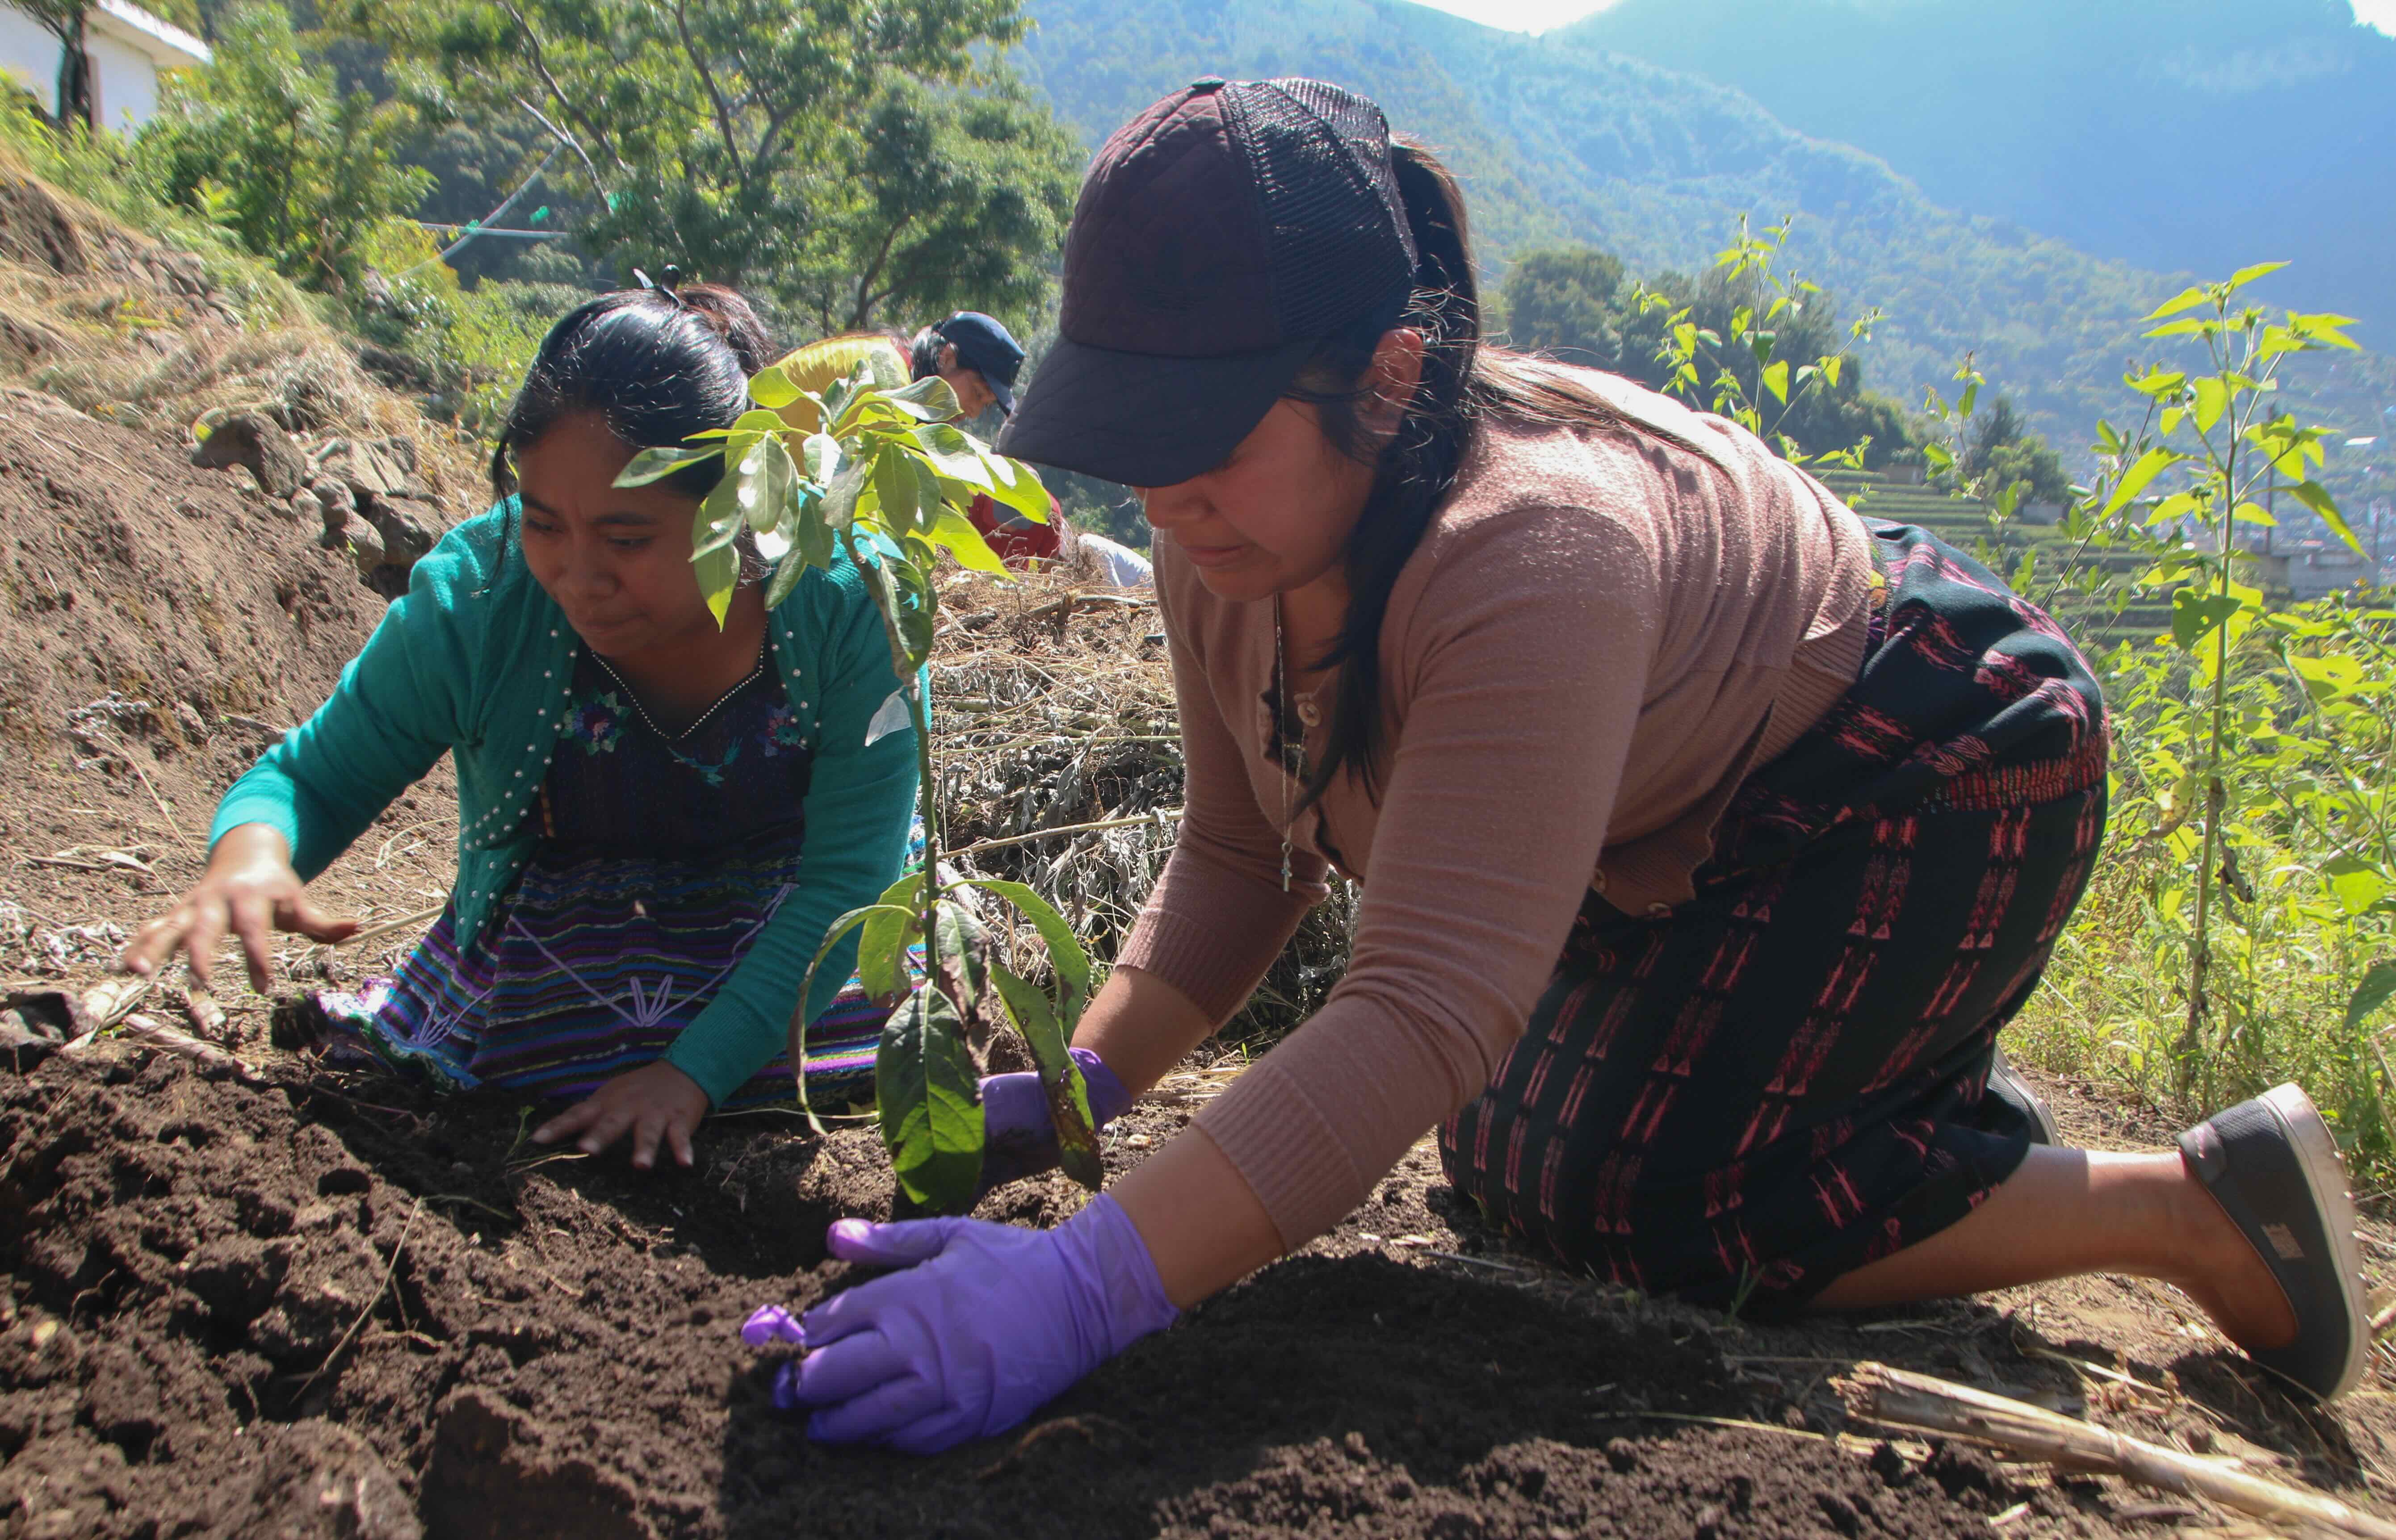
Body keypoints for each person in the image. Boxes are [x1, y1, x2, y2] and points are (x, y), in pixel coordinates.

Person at [765, 78, 2371, 1454]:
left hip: (1927, 753)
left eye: (1205, 434)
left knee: (1623, 1196)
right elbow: (1238, 855)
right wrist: (1076, 1092)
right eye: (1134, 433)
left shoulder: (1532, 551)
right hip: (1676, 804)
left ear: (1388, 376)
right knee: (1504, 1154)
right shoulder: (1228, 543)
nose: (1160, 490)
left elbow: (1421, 1008)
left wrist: (1091, 1282)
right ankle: (1888, 1089)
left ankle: (2187, 1200)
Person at [120, 281, 919, 1169]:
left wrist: (693, 1073)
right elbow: (314, 775)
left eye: (626, 540)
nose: (577, 575)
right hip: (572, 928)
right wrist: (253, 856)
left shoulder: (851, 602)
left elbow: (849, 878)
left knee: (877, 1006)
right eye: (543, 523)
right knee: (543, 1043)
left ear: (741, 508)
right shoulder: (482, 599)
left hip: (790, 912)